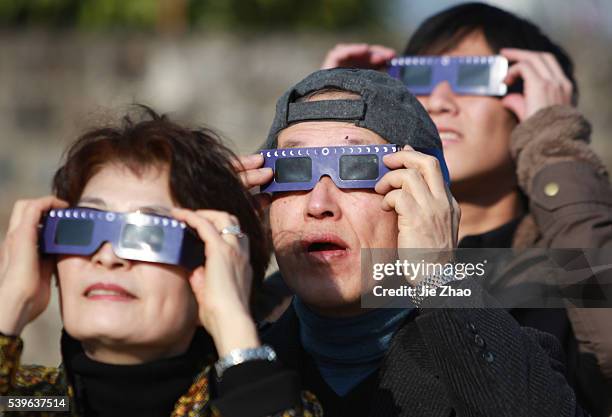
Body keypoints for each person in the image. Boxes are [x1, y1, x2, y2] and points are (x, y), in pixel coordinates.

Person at [237, 67, 588, 417]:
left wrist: (438, 277)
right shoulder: (231, 366)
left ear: (428, 199)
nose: (319, 204)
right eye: (291, 171)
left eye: (358, 168)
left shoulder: (510, 355)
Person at [316, 3, 612, 415]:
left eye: (473, 76)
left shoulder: (568, 266)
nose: (438, 101)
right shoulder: (367, 262)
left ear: (536, 103)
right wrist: (327, 119)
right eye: (417, 78)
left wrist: (555, 146)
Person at [0, 106, 321, 417]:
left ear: (217, 271)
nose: (108, 256)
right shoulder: (26, 403)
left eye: (149, 236)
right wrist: (9, 306)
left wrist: (233, 326)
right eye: (83, 227)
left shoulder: (271, 403)